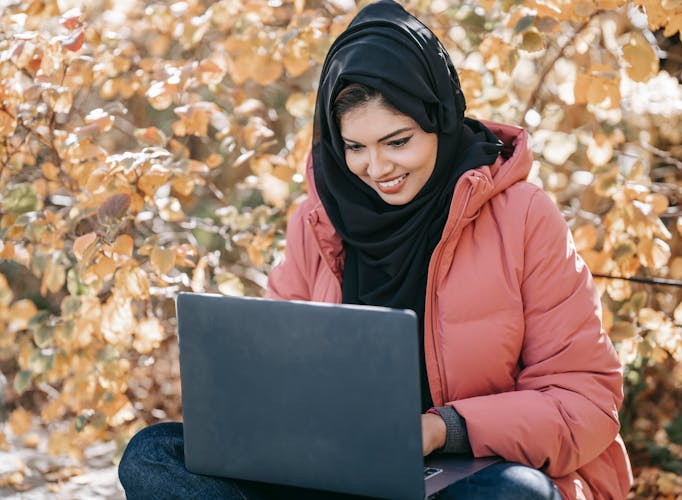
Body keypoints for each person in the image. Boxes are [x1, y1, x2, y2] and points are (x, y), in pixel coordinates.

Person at [118, 1, 633, 498]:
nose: (377, 168)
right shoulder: (317, 221)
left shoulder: (521, 215)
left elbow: (584, 401)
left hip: (464, 471)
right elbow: (275, 375)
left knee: (516, 494)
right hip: (331, 469)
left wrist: (440, 429)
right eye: (356, 148)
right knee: (152, 454)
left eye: (398, 140)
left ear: (439, 117)